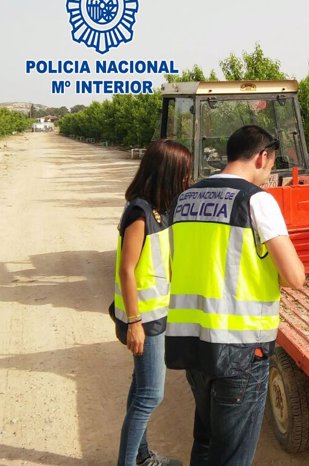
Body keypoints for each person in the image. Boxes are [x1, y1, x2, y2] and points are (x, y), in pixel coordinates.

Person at [165, 125, 306, 466]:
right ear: (262, 157)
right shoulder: (256, 201)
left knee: (206, 441)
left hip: (192, 343)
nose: (270, 175)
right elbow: (295, 276)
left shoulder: (184, 200)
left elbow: (176, 264)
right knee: (231, 456)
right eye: (271, 166)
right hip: (241, 350)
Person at [111, 139, 192, 466]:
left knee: (140, 389)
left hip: (154, 315)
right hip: (143, 320)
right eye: (184, 173)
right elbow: (127, 269)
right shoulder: (140, 212)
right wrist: (134, 323)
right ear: (167, 172)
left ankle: (142, 456)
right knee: (150, 394)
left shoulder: (161, 208)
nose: (187, 179)